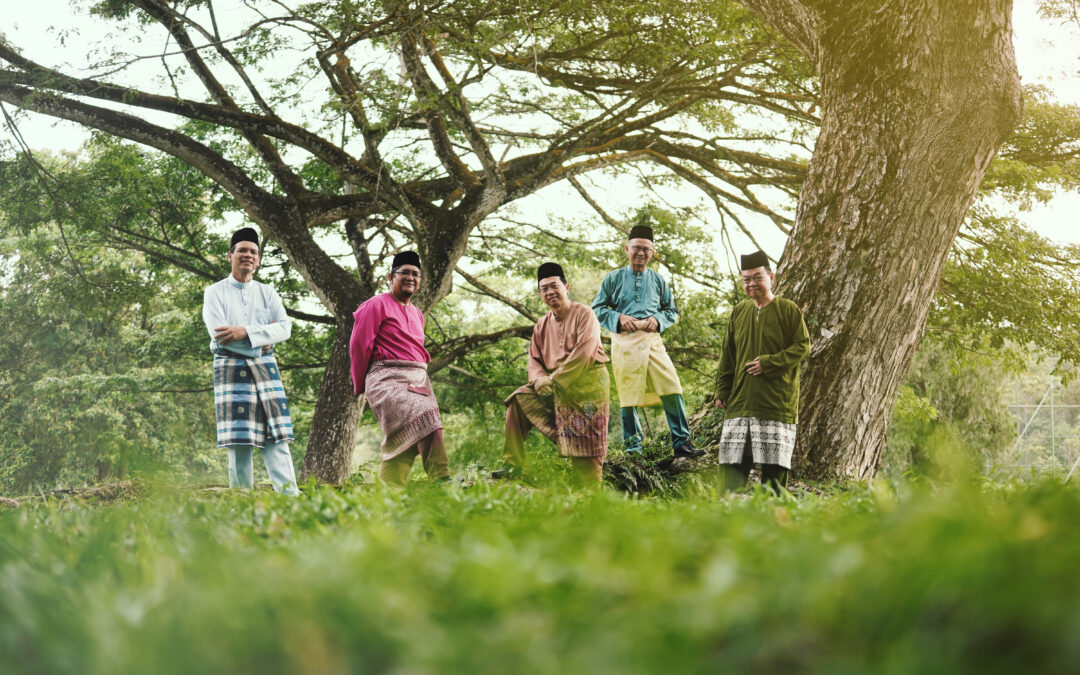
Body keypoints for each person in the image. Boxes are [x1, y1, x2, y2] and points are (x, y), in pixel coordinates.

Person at [591, 224, 704, 459]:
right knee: (628, 397)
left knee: (672, 387)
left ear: (652, 253)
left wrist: (658, 319)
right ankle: (633, 449)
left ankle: (681, 443)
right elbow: (598, 308)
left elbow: (671, 310)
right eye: (637, 248)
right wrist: (619, 318)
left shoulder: (659, 281)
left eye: (646, 250)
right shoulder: (613, 278)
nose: (641, 254)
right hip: (625, 342)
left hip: (653, 341)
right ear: (627, 249)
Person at [202, 227, 300, 495]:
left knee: (276, 435)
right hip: (231, 369)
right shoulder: (214, 292)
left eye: (253, 252)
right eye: (242, 250)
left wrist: (245, 332)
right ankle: (241, 500)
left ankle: (290, 497)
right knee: (239, 441)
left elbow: (286, 328)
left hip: (266, 370)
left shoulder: (268, 293)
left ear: (258, 259)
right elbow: (219, 335)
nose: (248, 255)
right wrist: (261, 341)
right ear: (230, 255)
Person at [494, 263, 611, 483]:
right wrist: (539, 381)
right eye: (544, 288)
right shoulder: (541, 325)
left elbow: (585, 352)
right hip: (555, 388)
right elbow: (534, 360)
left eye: (554, 286)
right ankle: (512, 464)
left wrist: (554, 380)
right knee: (519, 399)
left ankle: (593, 501)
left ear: (566, 286)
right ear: (540, 294)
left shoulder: (585, 314)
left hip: (588, 385)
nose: (549, 292)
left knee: (588, 455)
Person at [714, 250, 811, 494]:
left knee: (774, 480)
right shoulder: (739, 311)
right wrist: (722, 389)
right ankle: (725, 522)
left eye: (757, 277)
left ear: (771, 276)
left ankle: (775, 524)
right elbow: (728, 354)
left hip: (775, 404)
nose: (751, 283)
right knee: (731, 475)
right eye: (746, 279)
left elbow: (802, 346)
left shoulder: (788, 309)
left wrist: (769, 363)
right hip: (740, 404)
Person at [349, 251, 450, 486]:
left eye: (416, 274)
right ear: (390, 277)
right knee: (426, 415)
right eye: (404, 272)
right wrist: (360, 385)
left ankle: (388, 495)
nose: (411, 277)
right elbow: (358, 347)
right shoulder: (375, 305)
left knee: (407, 436)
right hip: (386, 378)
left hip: (417, 379)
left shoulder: (417, 314)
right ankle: (442, 479)